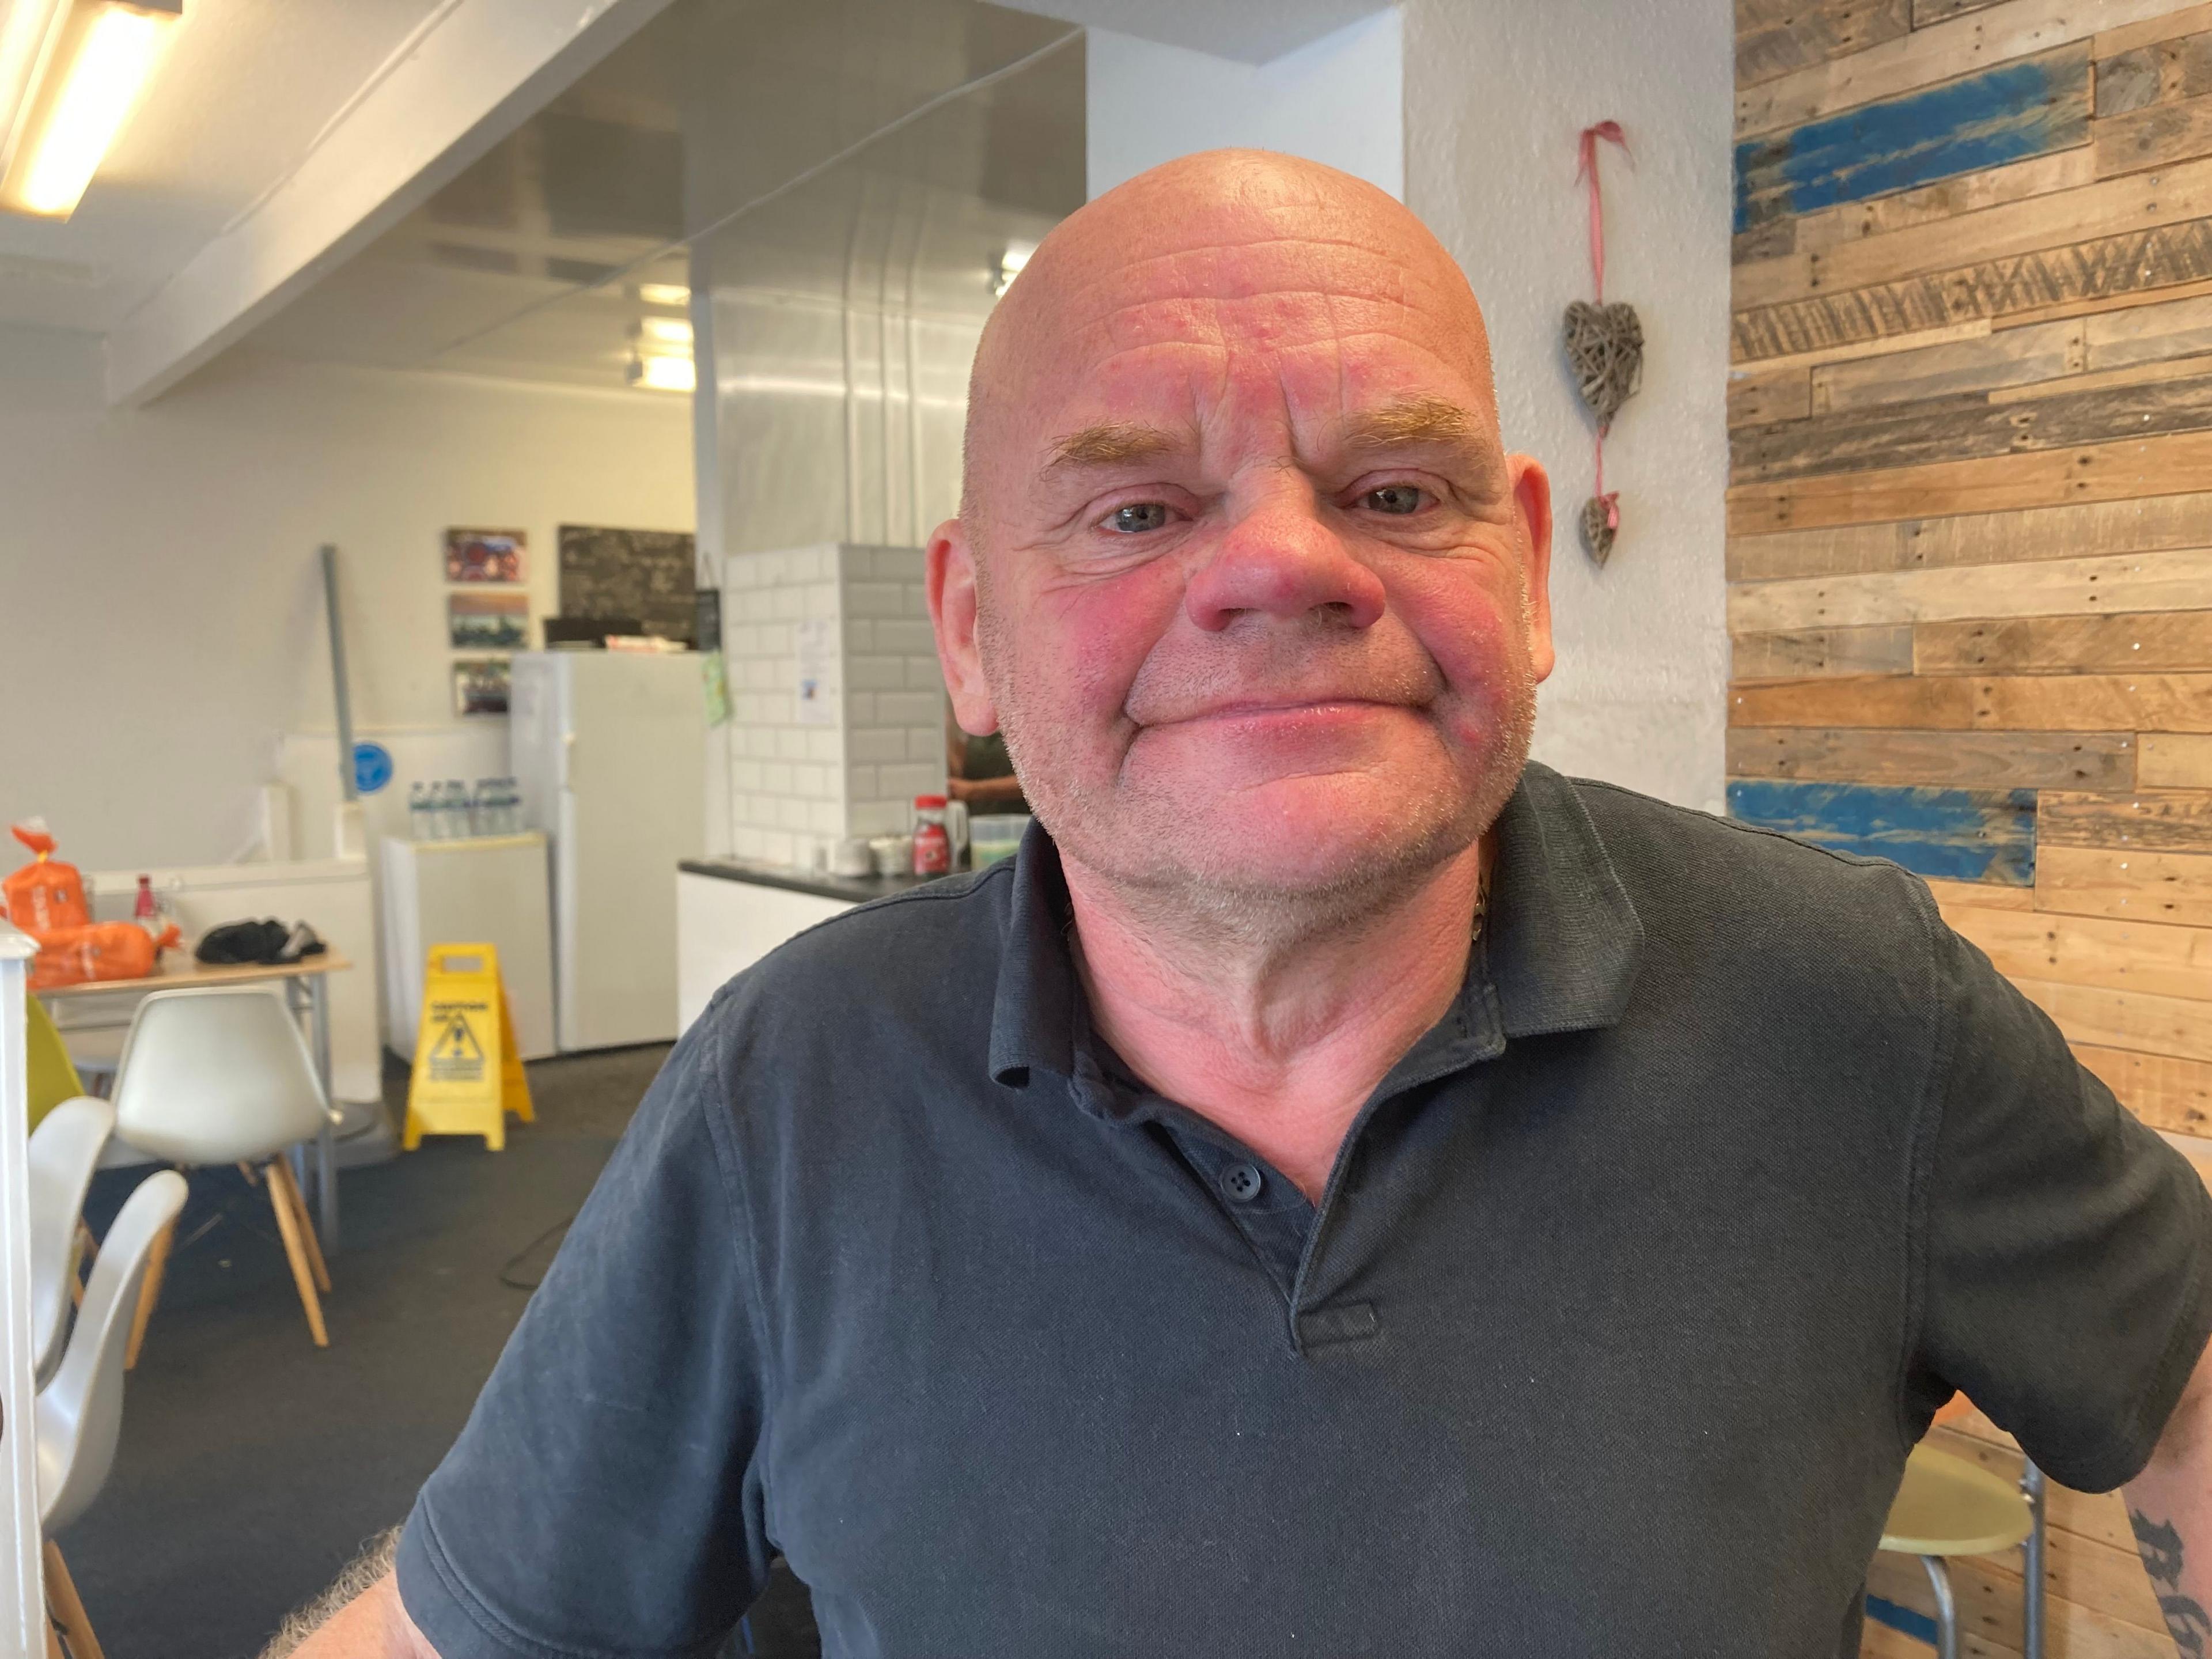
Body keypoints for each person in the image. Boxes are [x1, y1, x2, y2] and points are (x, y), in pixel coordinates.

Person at [289, 150, 2212, 1659]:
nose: (1283, 567)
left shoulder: (1854, 1011)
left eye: (1392, 489)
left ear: (1527, 567)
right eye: (1135, 510)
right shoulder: (788, 1092)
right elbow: (467, 1628)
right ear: (971, 625)